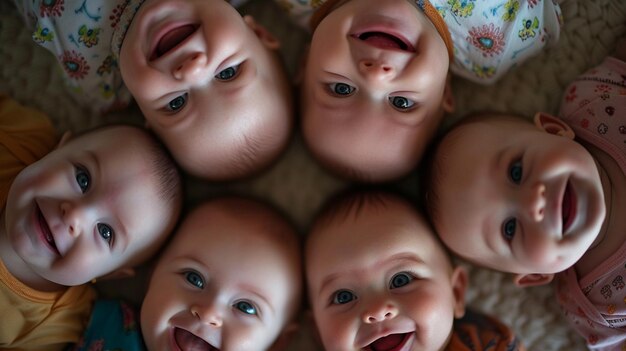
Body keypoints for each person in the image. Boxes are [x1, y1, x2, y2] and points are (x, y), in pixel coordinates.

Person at [425, 41, 626, 349]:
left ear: (554, 129)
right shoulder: (595, 307)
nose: (534, 203)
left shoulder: (596, 104)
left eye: (516, 172)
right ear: (535, 274)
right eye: (509, 228)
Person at [274, 0, 561, 182]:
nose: (376, 77)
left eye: (341, 88)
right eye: (401, 102)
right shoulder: (497, 45)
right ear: (445, 90)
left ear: (305, 59)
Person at [12, 0, 293, 180]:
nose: (191, 71)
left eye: (176, 104)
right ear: (258, 32)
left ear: (140, 108)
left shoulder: (97, 81)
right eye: (228, 72)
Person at [0, 95, 183, 350]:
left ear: (108, 274)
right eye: (82, 179)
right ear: (60, 147)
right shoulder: (17, 139)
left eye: (106, 232)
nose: (75, 216)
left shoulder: (55, 324)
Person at [306, 189, 524, 350]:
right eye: (343, 296)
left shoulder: (485, 344)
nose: (377, 310)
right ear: (317, 330)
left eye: (401, 280)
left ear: (455, 292)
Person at [138, 196, 302, 351]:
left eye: (246, 307)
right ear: (153, 273)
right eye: (194, 279)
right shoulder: (113, 324)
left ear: (276, 344)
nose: (209, 312)